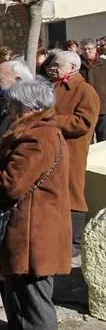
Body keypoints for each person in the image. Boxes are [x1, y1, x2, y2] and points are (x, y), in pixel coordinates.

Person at [0, 80, 71, 330]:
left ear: (30, 108)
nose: (9, 111)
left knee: (34, 310)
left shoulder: (38, 137)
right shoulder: (37, 132)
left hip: (33, 236)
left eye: (13, 106)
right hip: (27, 232)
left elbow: (10, 185)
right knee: (23, 306)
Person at [46, 50, 99, 257]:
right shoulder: (54, 87)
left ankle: (75, 242)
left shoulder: (85, 90)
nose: (53, 68)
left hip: (73, 151)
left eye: (58, 65)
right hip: (54, 150)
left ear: (73, 67)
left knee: (73, 193)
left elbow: (84, 123)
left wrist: (53, 120)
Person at [78, 38, 106, 141]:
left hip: (103, 108)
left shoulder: (104, 64)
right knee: (86, 139)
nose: (86, 51)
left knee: (103, 139)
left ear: (95, 49)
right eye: (84, 49)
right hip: (84, 108)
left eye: (89, 49)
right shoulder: (76, 65)